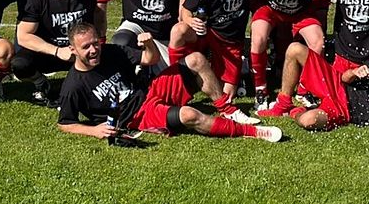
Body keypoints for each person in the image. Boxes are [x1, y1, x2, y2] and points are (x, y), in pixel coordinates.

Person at [56, 21, 281, 142]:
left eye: (95, 43)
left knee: (195, 59)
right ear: (72, 50)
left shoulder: (110, 51)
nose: (94, 50)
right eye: (86, 47)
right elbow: (65, 123)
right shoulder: (73, 86)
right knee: (189, 115)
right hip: (138, 116)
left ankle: (227, 110)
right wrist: (94, 131)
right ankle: (251, 132)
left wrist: (149, 44)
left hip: (150, 89)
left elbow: (150, 59)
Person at [249, 0, 335, 111]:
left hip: (300, 13)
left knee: (318, 41)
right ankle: (260, 89)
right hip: (272, 10)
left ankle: (304, 90)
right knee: (258, 38)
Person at [13, 0, 103, 107]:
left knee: (108, 58)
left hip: (79, 51)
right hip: (48, 52)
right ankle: (41, 83)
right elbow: (23, 36)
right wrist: (57, 51)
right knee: (20, 64)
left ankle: (85, 80)